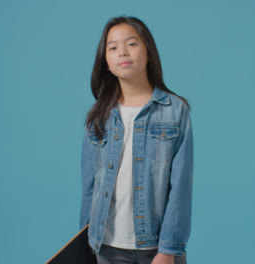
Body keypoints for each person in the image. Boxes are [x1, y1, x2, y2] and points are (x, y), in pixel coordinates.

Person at [79, 16, 194, 264]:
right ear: (106, 63)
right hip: (106, 248)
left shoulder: (175, 111)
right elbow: (90, 188)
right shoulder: (97, 116)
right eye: (113, 47)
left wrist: (168, 251)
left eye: (131, 43)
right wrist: (84, 246)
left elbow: (180, 188)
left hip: (157, 248)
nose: (122, 52)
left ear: (148, 52)